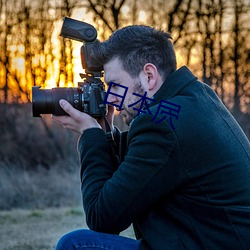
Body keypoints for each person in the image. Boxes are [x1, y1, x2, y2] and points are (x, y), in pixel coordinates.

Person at [52, 25, 250, 250]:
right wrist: (106, 134)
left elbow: (102, 219)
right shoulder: (193, 98)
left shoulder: (162, 125)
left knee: (76, 244)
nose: (112, 100)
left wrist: (90, 136)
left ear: (148, 75)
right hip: (216, 240)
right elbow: (141, 168)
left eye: (115, 86)